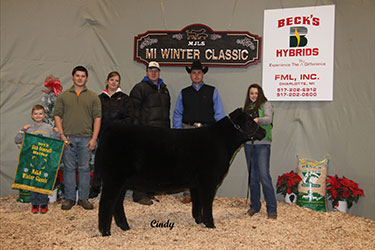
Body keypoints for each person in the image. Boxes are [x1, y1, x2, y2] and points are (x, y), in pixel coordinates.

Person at [173, 60, 226, 203]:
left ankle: (205, 192)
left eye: (199, 73)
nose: (196, 75)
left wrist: (221, 133)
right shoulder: (184, 93)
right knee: (186, 162)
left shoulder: (212, 91)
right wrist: (178, 132)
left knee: (207, 163)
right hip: (188, 130)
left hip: (207, 131)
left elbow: (219, 113)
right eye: (194, 73)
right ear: (190, 75)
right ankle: (187, 193)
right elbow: (178, 113)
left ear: (203, 74)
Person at [54, 66, 102, 210]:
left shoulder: (93, 97)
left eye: (83, 76)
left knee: (84, 169)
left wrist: (94, 138)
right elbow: (57, 115)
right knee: (68, 169)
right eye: (77, 75)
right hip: (67, 138)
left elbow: (97, 118)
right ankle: (69, 199)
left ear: (86, 78)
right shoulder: (63, 96)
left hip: (86, 139)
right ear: (73, 77)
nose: (80, 78)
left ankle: (83, 198)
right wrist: (61, 135)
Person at [129, 61, 170, 205]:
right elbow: (133, 112)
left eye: (156, 70)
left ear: (159, 72)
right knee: (142, 164)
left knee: (155, 164)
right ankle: (139, 193)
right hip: (145, 133)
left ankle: (150, 190)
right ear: (146, 71)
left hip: (161, 133)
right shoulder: (139, 88)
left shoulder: (164, 89)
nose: (153, 72)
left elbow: (166, 112)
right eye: (151, 70)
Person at [89, 71, 134, 198]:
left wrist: (115, 126)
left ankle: (119, 189)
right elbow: (95, 117)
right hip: (103, 136)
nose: (114, 82)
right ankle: (95, 188)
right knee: (100, 162)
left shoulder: (125, 98)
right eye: (112, 80)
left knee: (119, 164)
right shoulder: (99, 98)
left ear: (119, 83)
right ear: (107, 81)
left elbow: (130, 118)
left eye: (117, 80)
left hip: (120, 137)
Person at [15, 104, 60, 214]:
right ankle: (34, 204)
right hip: (32, 161)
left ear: (44, 115)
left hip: (45, 161)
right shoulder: (29, 129)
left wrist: (56, 132)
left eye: (40, 113)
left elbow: (55, 142)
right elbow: (17, 139)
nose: (38, 116)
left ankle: (44, 203)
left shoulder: (48, 128)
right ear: (32, 116)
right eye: (36, 114)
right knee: (33, 183)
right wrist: (22, 130)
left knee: (43, 182)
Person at [243, 83, 277, 219]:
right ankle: (255, 206)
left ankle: (272, 209)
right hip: (249, 144)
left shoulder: (266, 104)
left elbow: (268, 119)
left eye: (256, 93)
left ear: (260, 94)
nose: (254, 96)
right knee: (253, 176)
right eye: (251, 93)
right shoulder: (246, 108)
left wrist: (257, 120)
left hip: (263, 144)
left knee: (264, 175)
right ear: (248, 95)